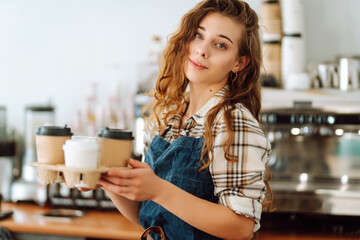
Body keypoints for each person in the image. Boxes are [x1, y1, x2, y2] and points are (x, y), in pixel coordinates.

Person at [86, 0, 272, 239]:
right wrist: (106, 179)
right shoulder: (167, 116)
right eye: (198, 35)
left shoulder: (233, 124)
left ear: (239, 62)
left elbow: (240, 227)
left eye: (221, 45)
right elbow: (149, 212)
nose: (202, 50)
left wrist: (158, 189)